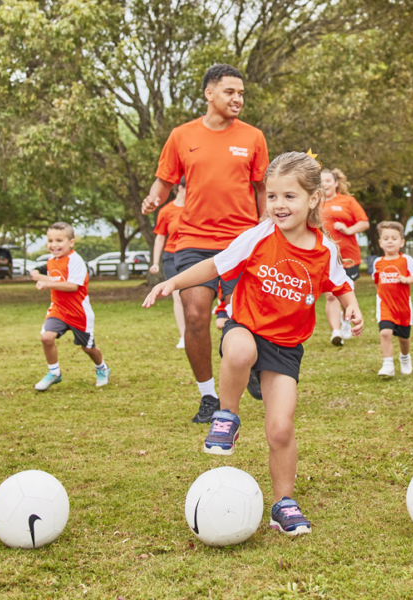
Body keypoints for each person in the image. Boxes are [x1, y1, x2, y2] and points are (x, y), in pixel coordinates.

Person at [143, 152, 364, 536]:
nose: (278, 205)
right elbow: (214, 265)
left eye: (289, 197)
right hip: (245, 325)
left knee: (280, 428)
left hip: (285, 347)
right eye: (272, 196)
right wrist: (173, 283)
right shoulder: (259, 235)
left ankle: (284, 503)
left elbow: (340, 283)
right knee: (241, 351)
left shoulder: (324, 249)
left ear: (313, 199)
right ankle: (226, 416)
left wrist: (353, 309)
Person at [142, 64, 269, 423]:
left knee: (246, 317)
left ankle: (254, 366)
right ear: (209, 93)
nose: (238, 99)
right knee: (196, 315)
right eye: (230, 92)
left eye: (242, 93)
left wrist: (263, 225)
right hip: (194, 240)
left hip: (241, 242)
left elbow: (262, 188)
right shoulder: (182, 136)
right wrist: (154, 199)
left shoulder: (253, 137)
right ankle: (209, 397)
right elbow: (163, 182)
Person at [30, 222, 110, 391]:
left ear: (71, 242)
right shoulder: (51, 261)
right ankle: (54, 373)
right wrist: (36, 274)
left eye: (59, 240)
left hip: (78, 313)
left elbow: (72, 286)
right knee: (46, 337)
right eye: (50, 241)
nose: (54, 245)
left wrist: (46, 282)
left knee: (88, 348)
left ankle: (101, 368)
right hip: (58, 310)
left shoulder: (75, 261)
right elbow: (38, 270)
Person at [319, 168, 369, 346]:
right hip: (325, 257)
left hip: (349, 256)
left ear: (336, 183)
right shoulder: (313, 202)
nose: (324, 184)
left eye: (327, 181)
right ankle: (336, 331)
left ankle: (346, 321)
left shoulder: (348, 201)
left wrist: (348, 230)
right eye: (321, 181)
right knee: (331, 295)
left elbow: (364, 222)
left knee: (347, 292)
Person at [372, 221, 413, 377]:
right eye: (386, 238)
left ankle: (405, 357)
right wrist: (381, 295)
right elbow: (376, 282)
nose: (390, 241)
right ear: (380, 243)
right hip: (385, 305)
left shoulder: (406, 260)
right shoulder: (377, 262)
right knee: (385, 333)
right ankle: (388, 364)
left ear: (402, 242)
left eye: (394, 238)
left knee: (403, 338)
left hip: (402, 307)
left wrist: (408, 280)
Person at [149, 176, 186, 348]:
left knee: (192, 294)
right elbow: (159, 238)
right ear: (180, 188)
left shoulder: (196, 210)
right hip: (171, 256)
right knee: (177, 294)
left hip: (190, 256)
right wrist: (155, 262)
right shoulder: (166, 211)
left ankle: (195, 331)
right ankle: (184, 336)